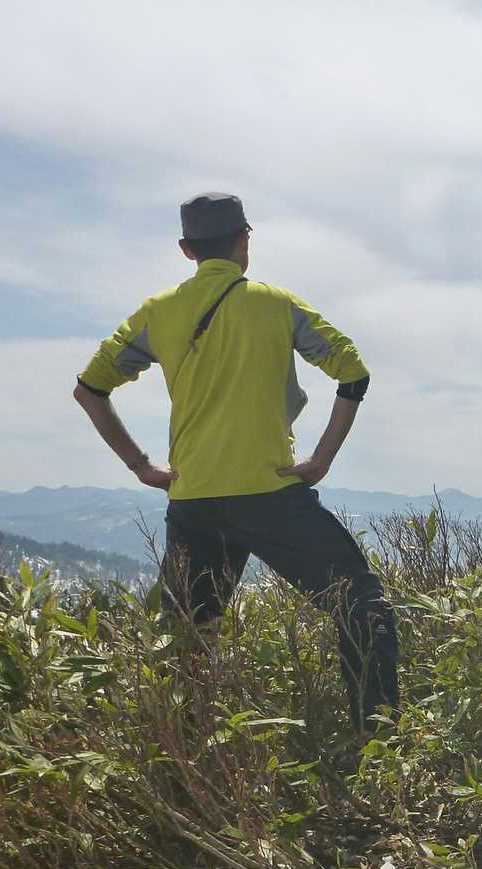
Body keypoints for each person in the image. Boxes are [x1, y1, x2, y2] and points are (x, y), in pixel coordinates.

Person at [72, 192, 399, 728]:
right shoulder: (277, 305)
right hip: (270, 496)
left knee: (187, 641)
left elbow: (89, 390)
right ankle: (378, 742)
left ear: (186, 249)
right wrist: (321, 459)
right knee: (363, 608)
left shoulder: (157, 313)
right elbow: (353, 373)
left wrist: (142, 466)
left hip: (193, 501)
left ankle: (184, 754)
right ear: (245, 239)